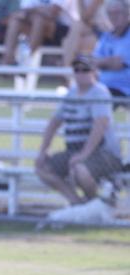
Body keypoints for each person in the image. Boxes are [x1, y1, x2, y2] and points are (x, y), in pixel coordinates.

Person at [34, 55, 123, 204]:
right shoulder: (71, 93)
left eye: (85, 69)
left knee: (79, 170)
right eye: (77, 70)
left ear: (94, 71)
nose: (81, 73)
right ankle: (77, 203)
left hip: (103, 153)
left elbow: (100, 126)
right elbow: (53, 123)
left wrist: (83, 154)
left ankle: (95, 204)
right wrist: (43, 151)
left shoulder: (99, 92)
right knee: (42, 167)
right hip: (75, 151)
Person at [1, 0, 78, 65]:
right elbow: (23, 13)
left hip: (62, 31)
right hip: (37, 29)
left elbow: (53, 12)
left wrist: (34, 11)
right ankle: (8, 59)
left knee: (38, 19)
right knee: (15, 21)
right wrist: (39, 11)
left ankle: (28, 59)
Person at [92, 0, 130, 100]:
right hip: (103, 87)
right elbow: (94, 61)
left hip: (123, 89)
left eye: (117, 13)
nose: (113, 17)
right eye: (110, 14)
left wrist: (103, 62)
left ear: (127, 14)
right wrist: (110, 62)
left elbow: (119, 63)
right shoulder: (106, 36)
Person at [61, 0, 111, 66]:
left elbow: (86, 17)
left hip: (103, 31)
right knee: (73, 36)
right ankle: (67, 68)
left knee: (76, 28)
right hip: (88, 28)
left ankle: (65, 67)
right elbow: (83, 18)